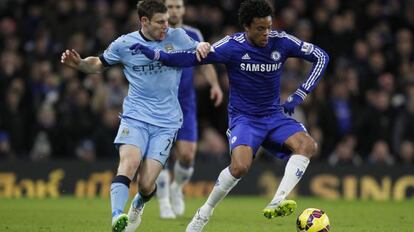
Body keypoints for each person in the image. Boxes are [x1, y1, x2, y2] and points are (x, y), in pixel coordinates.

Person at [130, 0, 329, 231]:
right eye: (260, 28)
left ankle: (278, 200)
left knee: (307, 145)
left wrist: (300, 94)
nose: (267, 33)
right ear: (247, 27)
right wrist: (157, 55)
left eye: (269, 27)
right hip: (244, 119)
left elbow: (321, 57)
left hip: (274, 115)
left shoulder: (281, 41)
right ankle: (204, 213)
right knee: (240, 167)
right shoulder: (232, 46)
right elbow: (190, 58)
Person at [60, 1, 210, 231]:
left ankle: (138, 204)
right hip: (135, 117)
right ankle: (117, 215)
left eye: (167, 21)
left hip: (167, 122)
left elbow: (201, 48)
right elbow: (98, 63)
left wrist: (204, 46)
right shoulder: (124, 44)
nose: (165, 27)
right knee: (128, 164)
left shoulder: (177, 37)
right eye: (160, 22)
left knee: (146, 185)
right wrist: (80, 63)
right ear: (144, 21)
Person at [155, 0, 223, 219]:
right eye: (170, 7)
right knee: (160, 153)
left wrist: (214, 84)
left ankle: (176, 189)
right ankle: (164, 201)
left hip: (185, 103)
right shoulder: (155, 33)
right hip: (158, 102)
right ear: (164, 10)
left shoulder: (193, 33)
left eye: (177, 6)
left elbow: (205, 63)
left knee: (186, 155)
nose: (174, 10)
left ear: (183, 10)